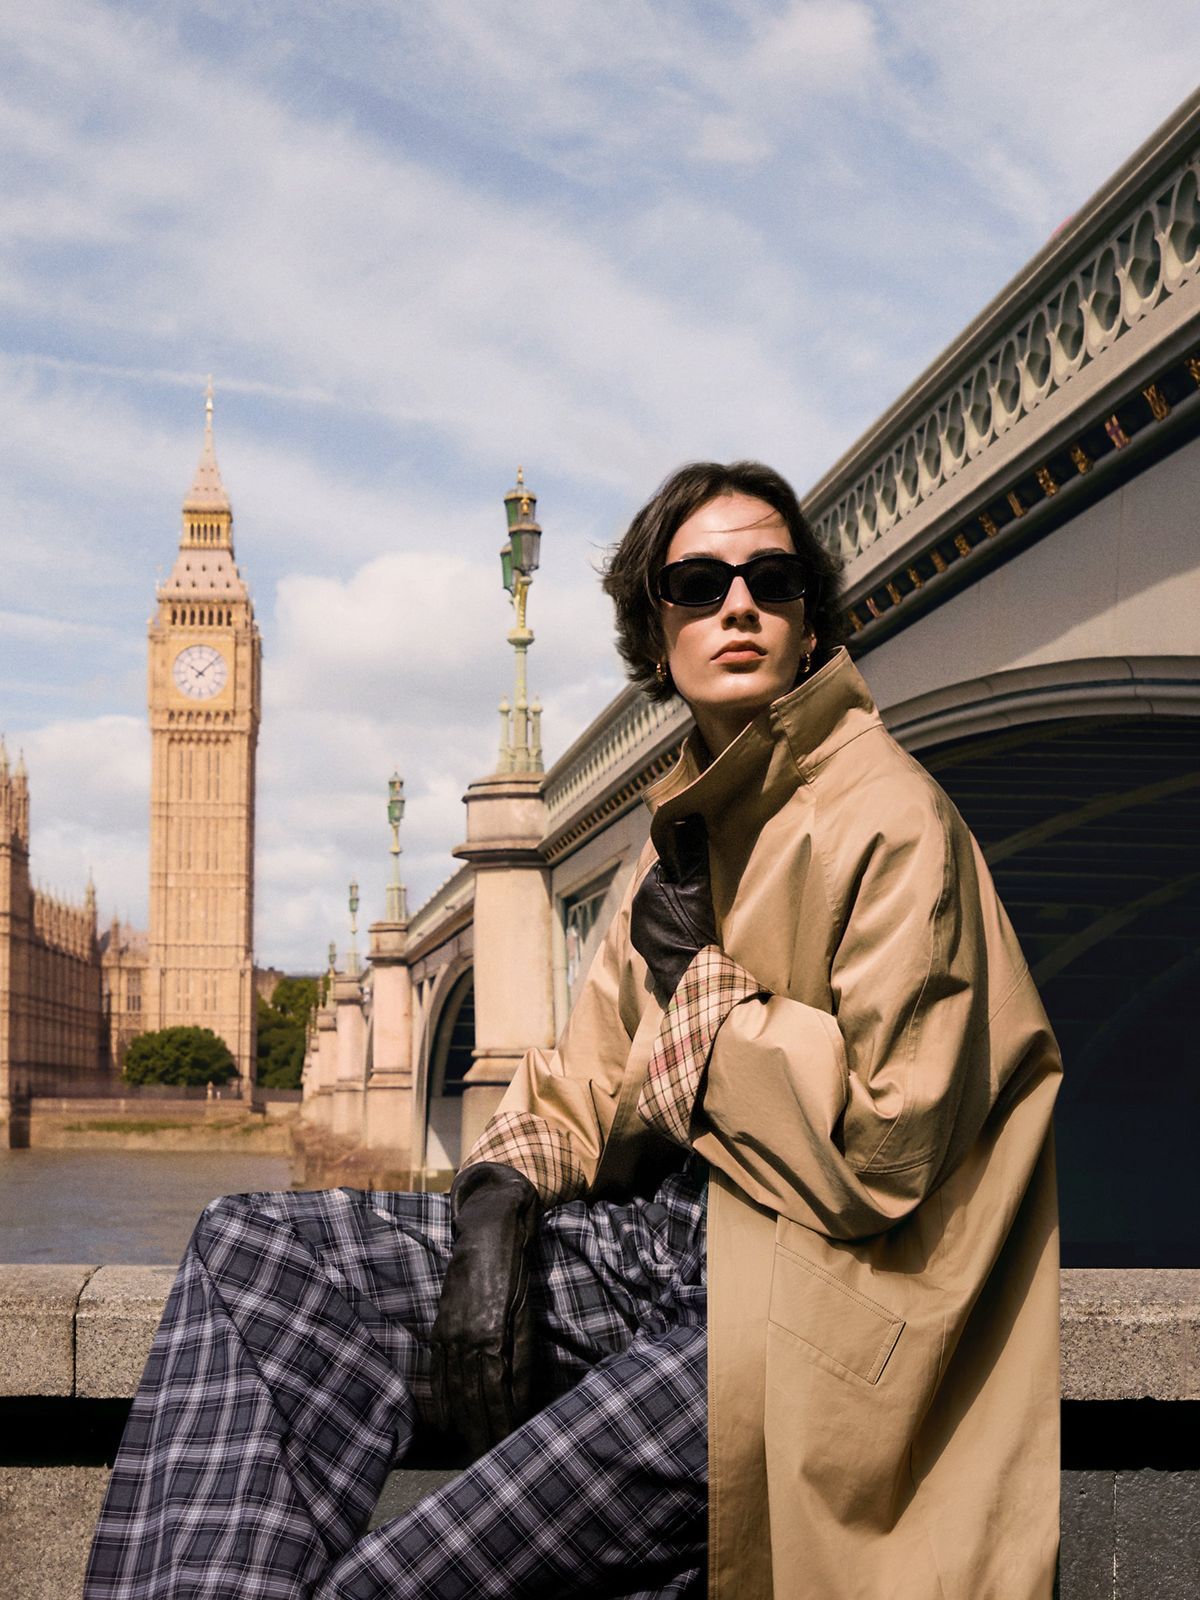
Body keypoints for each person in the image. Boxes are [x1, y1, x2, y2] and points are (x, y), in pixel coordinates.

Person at [85, 461, 1062, 1600]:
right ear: (659, 633)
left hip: (803, 1318)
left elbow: (883, 1150)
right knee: (254, 1256)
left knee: (395, 1581)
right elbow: (581, 1083)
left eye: (770, 577)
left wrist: (698, 983)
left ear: (810, 622)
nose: (736, 602)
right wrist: (494, 1204)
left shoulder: (892, 816)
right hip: (656, 1263)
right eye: (698, 583)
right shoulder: (678, 830)